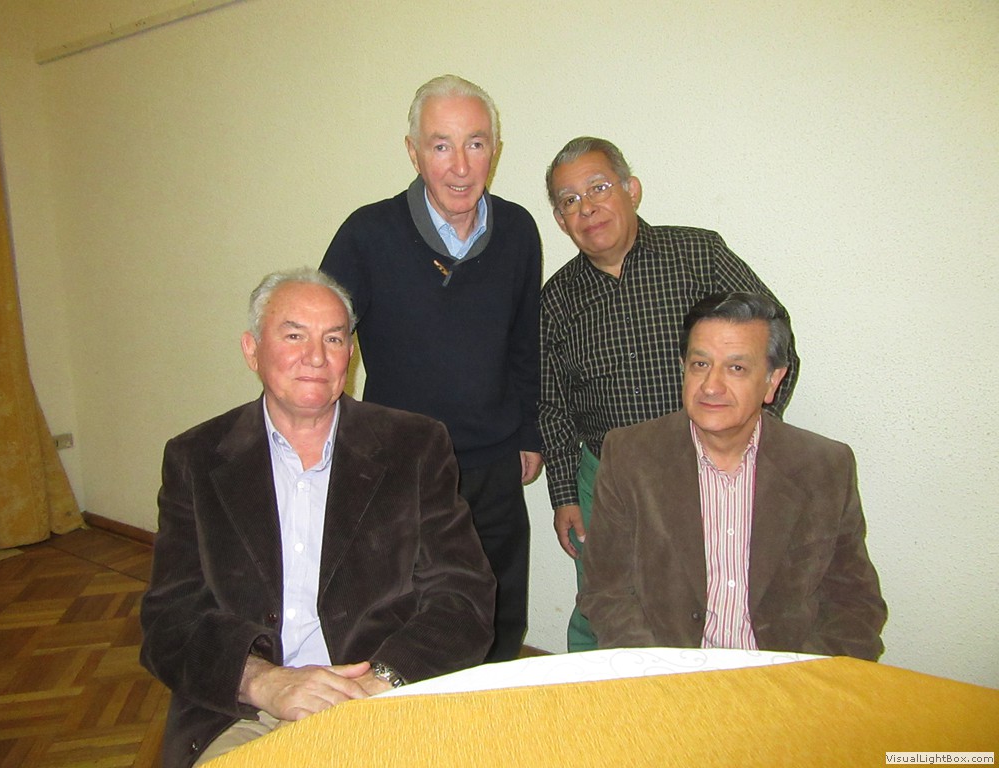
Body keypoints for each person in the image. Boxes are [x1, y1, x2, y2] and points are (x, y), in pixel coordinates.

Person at [140, 268, 496, 768]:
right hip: (247, 709)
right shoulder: (196, 458)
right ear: (251, 350)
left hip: (381, 696)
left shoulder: (414, 446)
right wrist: (263, 680)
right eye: (294, 336)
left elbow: (464, 596)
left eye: (333, 338)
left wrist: (379, 682)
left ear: (350, 354)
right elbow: (170, 620)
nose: (315, 357)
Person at [540, 136, 800, 651]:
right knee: (601, 606)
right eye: (570, 200)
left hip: (707, 467)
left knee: (708, 603)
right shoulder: (555, 300)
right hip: (605, 476)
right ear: (560, 220)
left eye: (598, 188)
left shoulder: (699, 254)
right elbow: (551, 404)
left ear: (631, 190)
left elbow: (773, 337)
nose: (587, 208)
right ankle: (602, 698)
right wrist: (565, 495)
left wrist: (752, 438)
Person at [320, 75, 542, 662]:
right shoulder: (367, 234)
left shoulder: (519, 230)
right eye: (441, 145)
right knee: (407, 618)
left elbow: (526, 341)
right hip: (401, 466)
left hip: (493, 462)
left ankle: (490, 711)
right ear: (413, 152)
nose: (461, 166)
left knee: (498, 613)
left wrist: (529, 432)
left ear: (495, 149)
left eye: (476, 143)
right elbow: (324, 340)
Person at [580, 292, 886, 660]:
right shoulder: (630, 455)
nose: (711, 386)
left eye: (736, 368)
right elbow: (607, 591)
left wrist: (795, 680)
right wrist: (663, 673)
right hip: (668, 670)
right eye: (700, 364)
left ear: (772, 381)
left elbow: (854, 602)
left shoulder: (824, 466)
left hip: (784, 674)